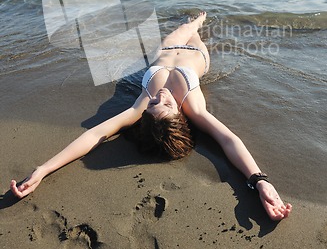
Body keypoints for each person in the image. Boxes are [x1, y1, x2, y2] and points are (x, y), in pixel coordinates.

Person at [10, 12, 292, 221]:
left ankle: (195, 18)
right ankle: (200, 20)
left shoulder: (141, 108)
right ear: (179, 117)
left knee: (184, 24)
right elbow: (229, 140)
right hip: (194, 53)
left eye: (154, 102)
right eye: (164, 104)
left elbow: (95, 133)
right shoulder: (193, 107)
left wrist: (43, 169)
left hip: (163, 51)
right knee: (195, 27)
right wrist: (259, 180)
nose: (161, 97)